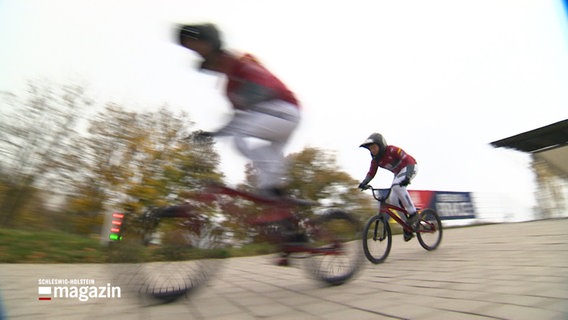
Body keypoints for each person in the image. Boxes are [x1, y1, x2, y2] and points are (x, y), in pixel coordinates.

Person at [177, 23, 301, 198]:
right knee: (269, 162)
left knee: (238, 136)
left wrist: (246, 99)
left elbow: (265, 87)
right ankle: (279, 204)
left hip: (283, 109)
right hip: (280, 117)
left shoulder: (242, 62)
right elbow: (238, 120)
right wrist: (213, 134)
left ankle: (273, 189)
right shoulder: (230, 87)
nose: (216, 69)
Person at [358, 133, 419, 241]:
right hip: (398, 173)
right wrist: (364, 182)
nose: (372, 150)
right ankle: (407, 226)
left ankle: (413, 214)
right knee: (393, 200)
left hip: (410, 167)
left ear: (381, 145)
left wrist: (408, 176)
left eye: (374, 147)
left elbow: (408, 160)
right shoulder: (376, 160)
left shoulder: (392, 150)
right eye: (370, 149)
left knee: (397, 186)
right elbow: (371, 173)